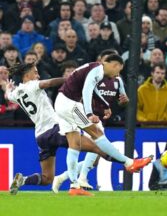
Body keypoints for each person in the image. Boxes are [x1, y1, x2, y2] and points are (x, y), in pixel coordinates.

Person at [4, 63, 122, 195]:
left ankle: (23, 180)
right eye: (35, 72)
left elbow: (7, 96)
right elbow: (49, 83)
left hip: (40, 136)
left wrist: (8, 88)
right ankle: (125, 162)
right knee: (96, 148)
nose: (38, 76)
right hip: (55, 129)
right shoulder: (31, 86)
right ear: (26, 75)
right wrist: (71, 79)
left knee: (47, 178)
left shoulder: (15, 93)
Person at [54, 53, 153, 196]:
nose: (117, 74)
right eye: (118, 71)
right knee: (97, 133)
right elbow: (87, 90)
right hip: (71, 104)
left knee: (74, 144)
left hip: (62, 102)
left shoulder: (95, 69)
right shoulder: (97, 70)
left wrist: (105, 104)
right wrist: (89, 113)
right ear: (115, 65)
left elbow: (93, 90)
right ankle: (129, 162)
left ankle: (74, 186)